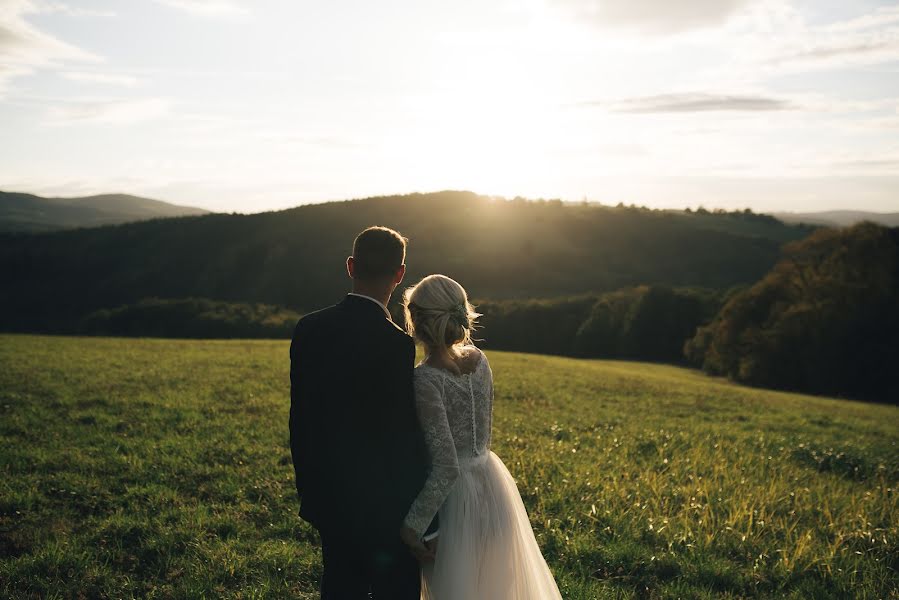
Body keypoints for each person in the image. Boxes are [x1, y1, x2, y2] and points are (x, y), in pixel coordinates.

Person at [289, 226, 436, 599]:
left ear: (351, 266)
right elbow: (399, 432)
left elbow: (300, 420)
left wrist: (311, 490)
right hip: (384, 502)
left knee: (339, 584)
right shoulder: (396, 344)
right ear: (400, 275)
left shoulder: (309, 329)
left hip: (329, 496)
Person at [399, 274, 563, 599]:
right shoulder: (479, 361)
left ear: (416, 321)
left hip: (456, 503)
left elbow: (446, 467)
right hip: (493, 483)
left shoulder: (425, 380)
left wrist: (412, 527)